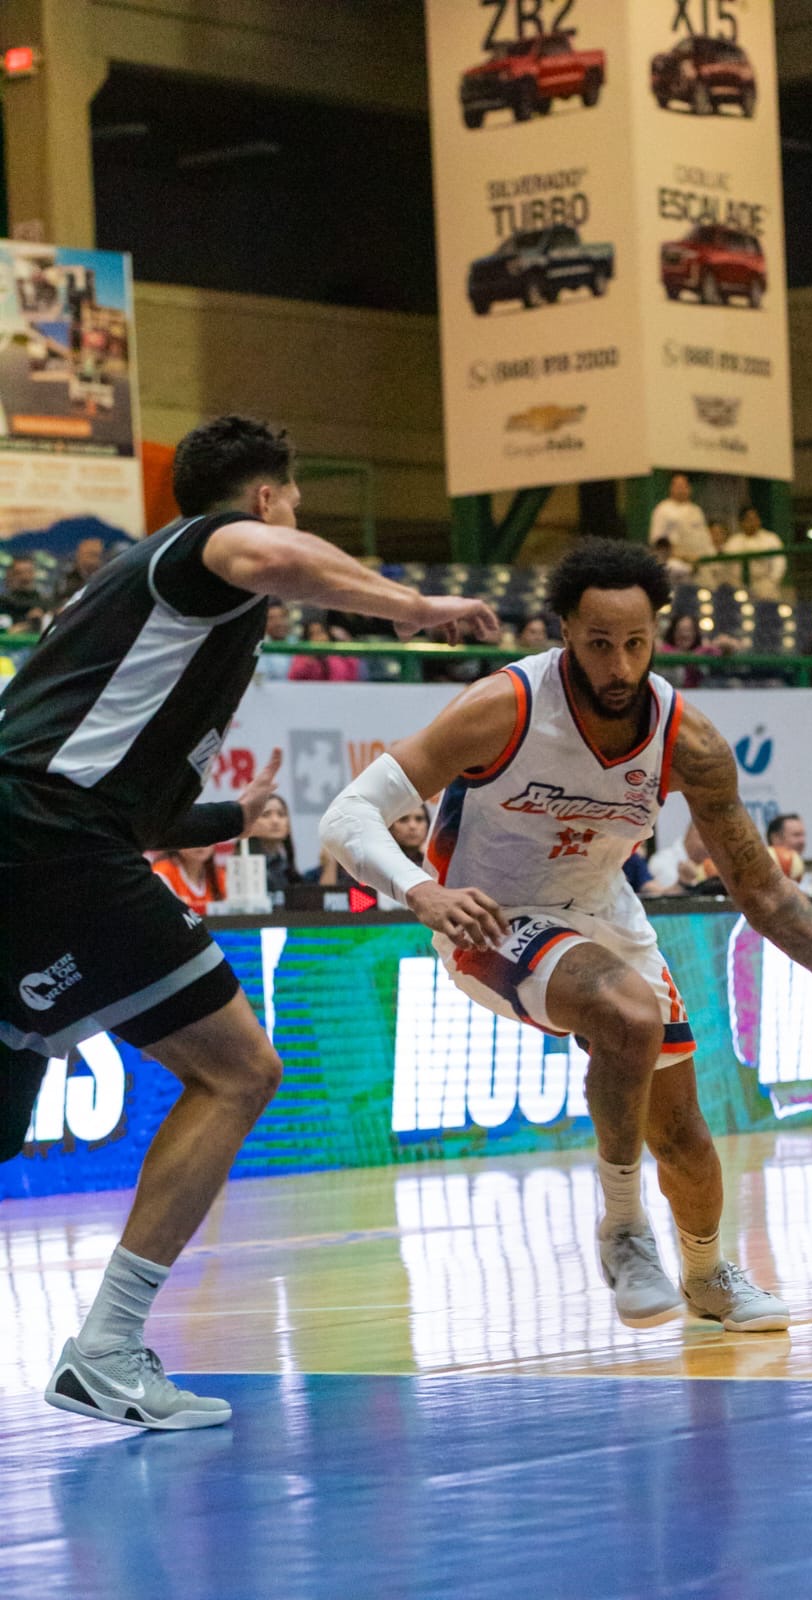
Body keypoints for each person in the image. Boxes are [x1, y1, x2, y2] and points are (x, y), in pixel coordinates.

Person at [0, 412, 498, 1431]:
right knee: (240, 1070)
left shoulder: (136, 613)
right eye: (294, 505)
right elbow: (265, 556)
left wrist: (231, 817)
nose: (293, 524)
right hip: (49, 841)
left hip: (40, 836)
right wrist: (414, 607)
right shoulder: (202, 551)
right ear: (266, 498)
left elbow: (127, 801)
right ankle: (107, 1350)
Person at [321, 538, 812, 1336]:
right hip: (487, 917)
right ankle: (623, 1230)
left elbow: (763, 891)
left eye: (635, 643)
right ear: (565, 634)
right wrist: (424, 890)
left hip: (604, 913)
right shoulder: (504, 707)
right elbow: (347, 815)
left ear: (657, 635)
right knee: (628, 1013)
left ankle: (708, 1274)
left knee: (684, 1133)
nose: (618, 666)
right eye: (598, 645)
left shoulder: (688, 742)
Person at [648, 473, 714, 576]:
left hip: (702, 564)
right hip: (677, 567)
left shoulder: (696, 510)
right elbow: (658, 542)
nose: (681, 490)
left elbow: (705, 538)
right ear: (671, 488)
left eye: (684, 486)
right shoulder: (662, 509)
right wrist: (683, 557)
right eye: (678, 486)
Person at [720, 506, 786, 601]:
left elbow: (779, 563)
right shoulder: (733, 542)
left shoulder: (770, 539)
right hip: (739, 588)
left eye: (755, 519)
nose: (753, 523)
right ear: (741, 522)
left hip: (765, 585)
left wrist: (772, 582)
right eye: (749, 520)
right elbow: (727, 568)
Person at [247, 794, 302, 897]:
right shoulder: (245, 865)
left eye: (281, 814)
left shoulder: (286, 868)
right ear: (251, 824)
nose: (275, 821)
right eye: (266, 815)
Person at [153, 846, 227, 918]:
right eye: (194, 839)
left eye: (206, 839)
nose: (200, 845)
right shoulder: (162, 873)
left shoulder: (220, 876)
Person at [287, 616, 366, 681]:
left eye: (321, 632)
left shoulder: (339, 657)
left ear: (328, 634)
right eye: (312, 634)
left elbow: (352, 675)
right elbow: (293, 678)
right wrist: (309, 662)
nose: (318, 638)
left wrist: (346, 641)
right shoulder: (302, 658)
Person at [52, 536, 106, 609]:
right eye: (92, 555)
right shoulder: (66, 578)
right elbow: (59, 605)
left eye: (99, 556)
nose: (95, 560)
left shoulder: (105, 578)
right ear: (79, 555)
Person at [1, 555, 49, 632]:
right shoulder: (3, 603)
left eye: (29, 572)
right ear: (10, 575)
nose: (25, 577)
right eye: (19, 573)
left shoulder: (45, 603)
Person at [258, 598, 295, 681]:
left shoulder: (297, 643)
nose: (278, 623)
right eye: (271, 618)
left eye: (282, 617)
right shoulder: (259, 645)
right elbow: (259, 675)